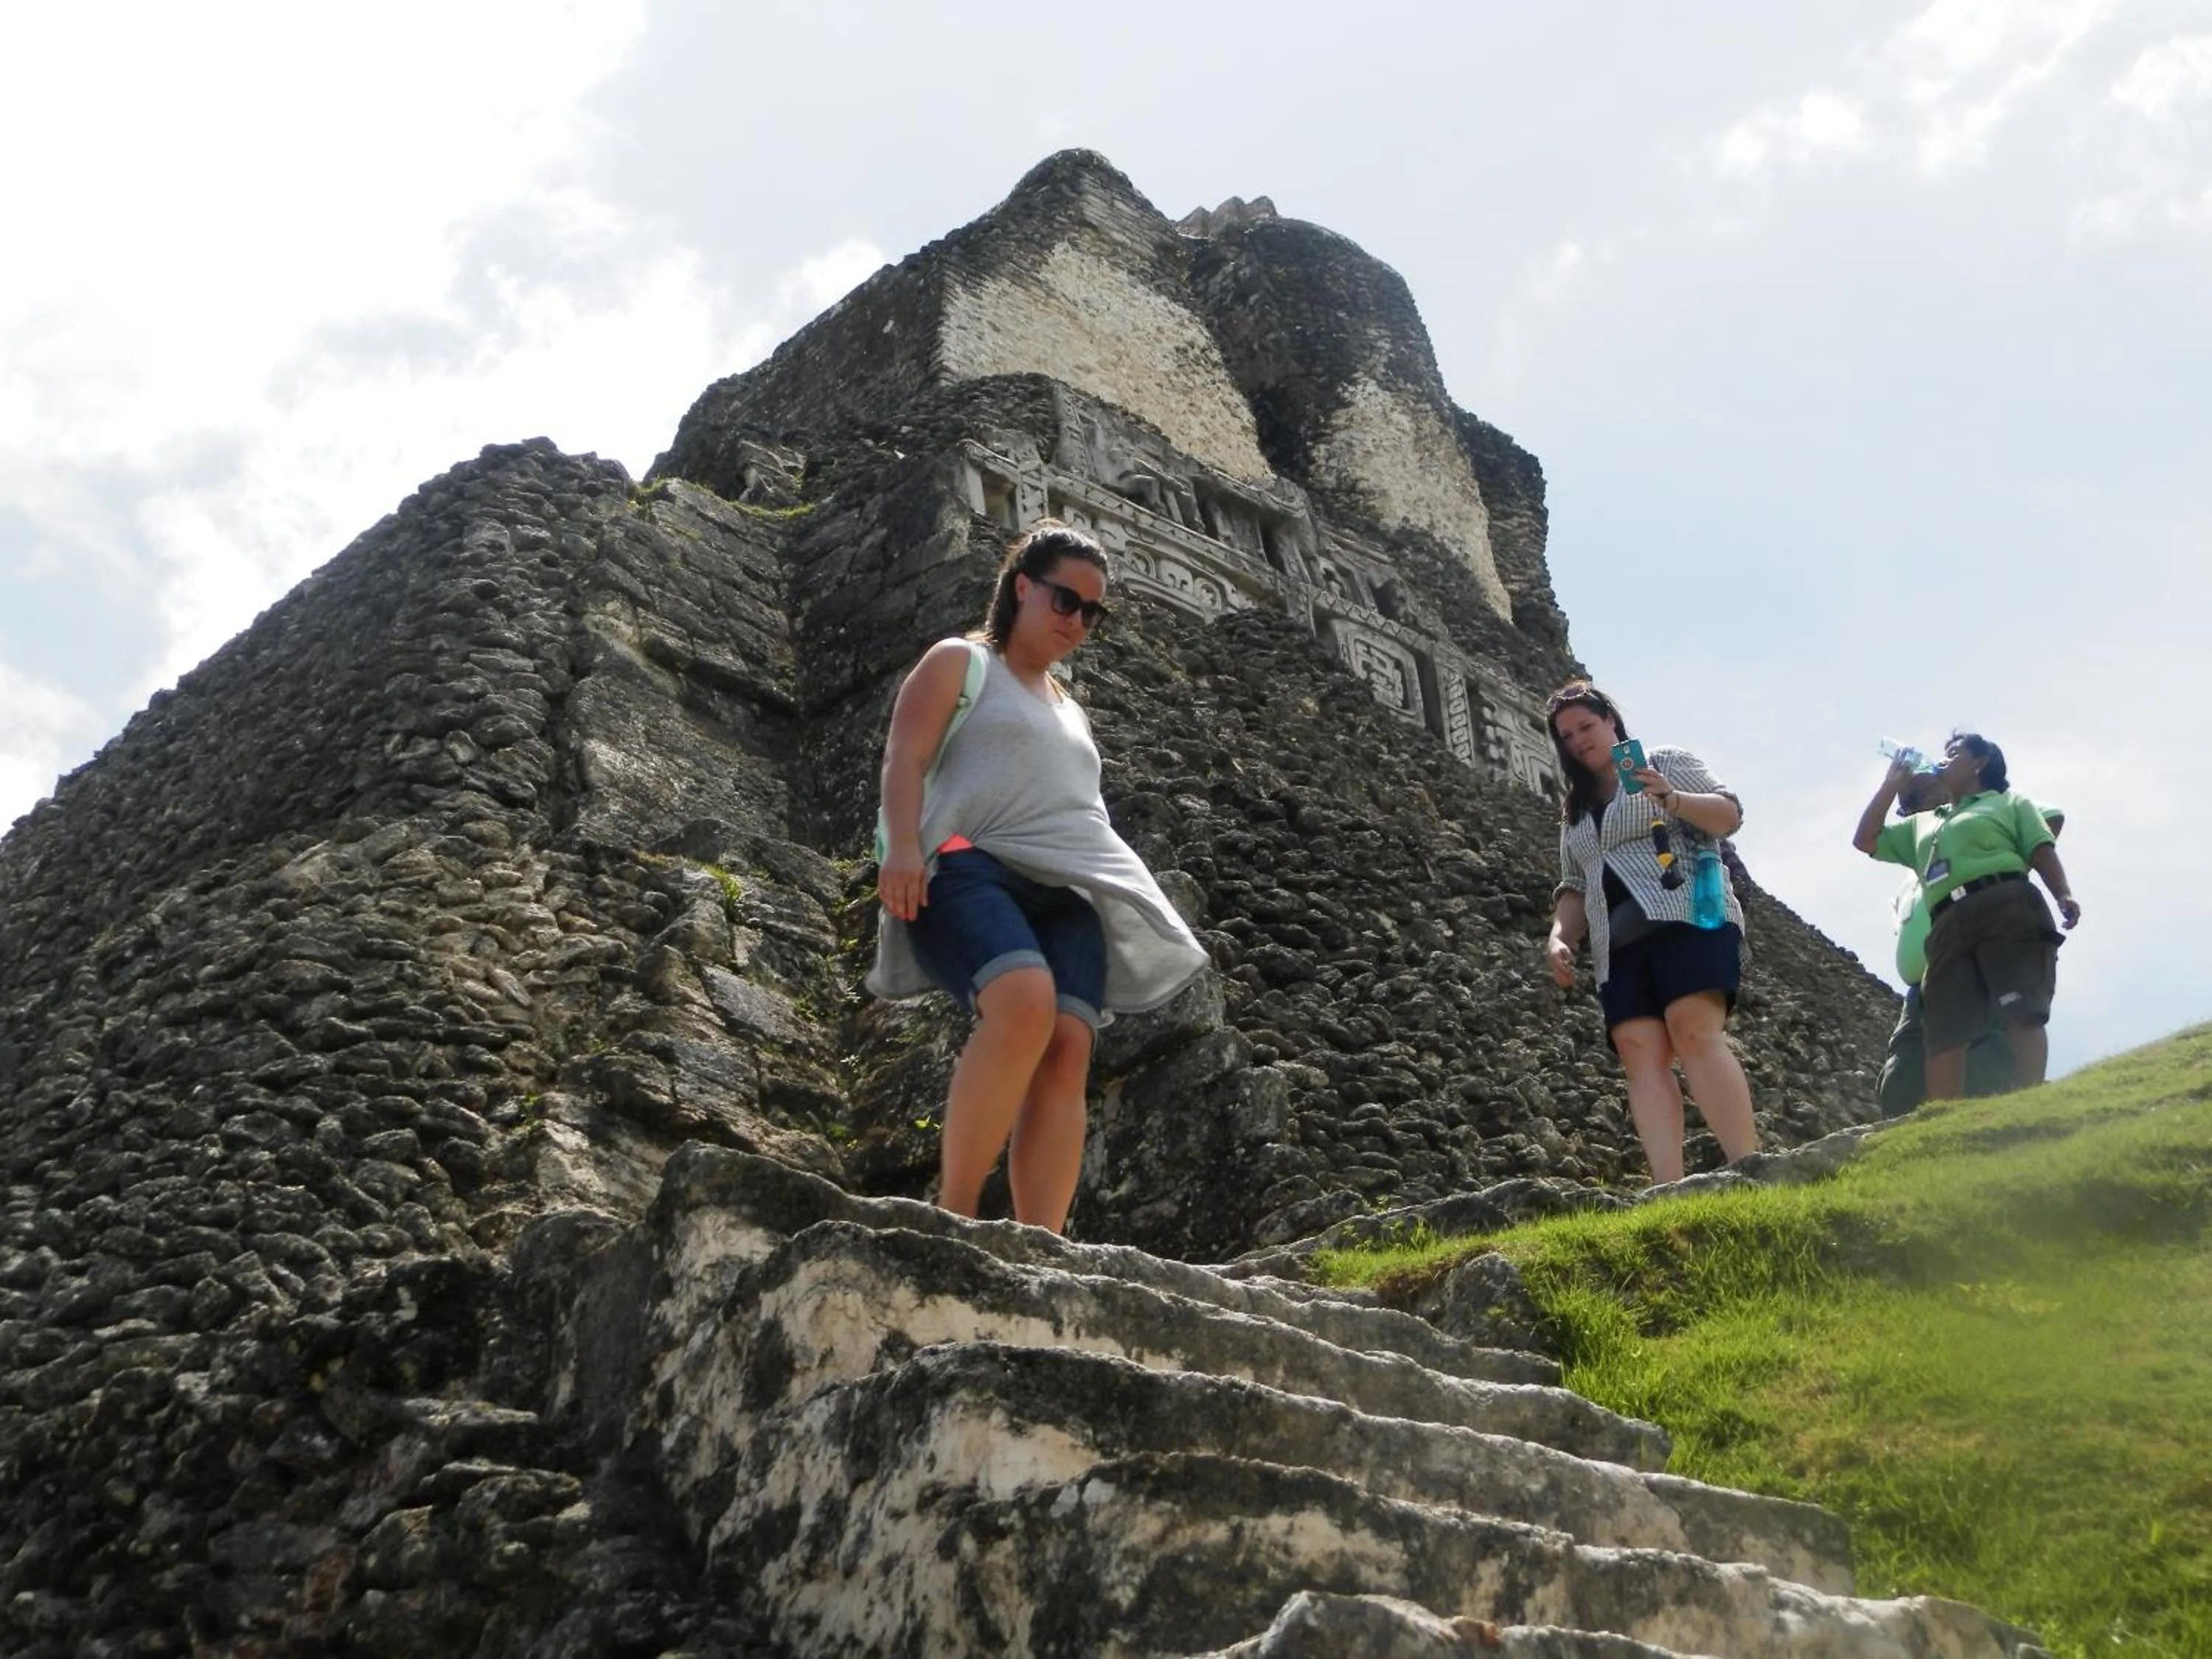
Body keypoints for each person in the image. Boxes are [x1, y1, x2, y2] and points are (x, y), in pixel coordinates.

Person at [866, 521, 1208, 1234]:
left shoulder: (1071, 710)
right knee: (1023, 1004)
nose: (1078, 621)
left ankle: (1041, 1246)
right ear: (1021, 586)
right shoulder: (960, 662)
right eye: (1064, 600)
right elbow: (905, 757)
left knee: (1069, 1047)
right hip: (968, 863)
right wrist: (902, 847)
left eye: (1093, 612)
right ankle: (953, 1216)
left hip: (1065, 894)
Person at [1542, 681, 1759, 1183]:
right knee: (1640, 1051)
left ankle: (1747, 1165)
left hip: (1686, 910)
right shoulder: (1574, 808)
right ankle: (1668, 1186)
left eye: (1586, 727)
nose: (1577, 740)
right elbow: (1574, 883)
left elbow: (1728, 814)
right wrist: (1560, 937)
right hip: (1616, 941)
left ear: (1611, 722)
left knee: (1691, 1027)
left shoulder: (1662, 761)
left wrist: (1672, 797)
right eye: (1566, 735)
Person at [1853, 732, 2080, 1100]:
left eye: (1954, 754)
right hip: (1948, 924)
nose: (1944, 759)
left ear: (1980, 762)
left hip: (2005, 905)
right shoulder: (1922, 827)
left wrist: (2063, 893)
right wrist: (1890, 784)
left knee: (2020, 1010)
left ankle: (2029, 1101)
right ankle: (1944, 1119)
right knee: (1943, 1032)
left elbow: (2041, 843)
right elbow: (1866, 839)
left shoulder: (2006, 802)